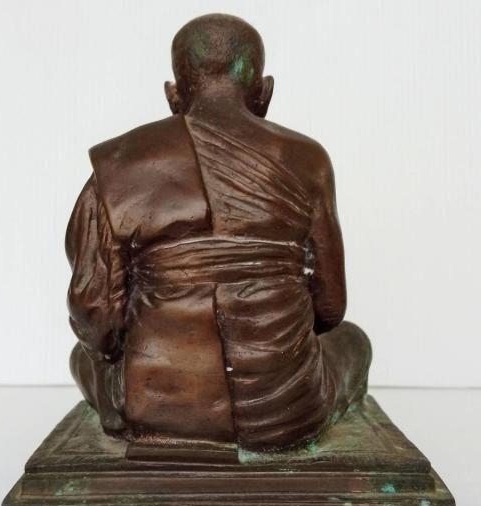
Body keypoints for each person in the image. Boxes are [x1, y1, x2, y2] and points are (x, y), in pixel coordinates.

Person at [66, 13, 371, 452]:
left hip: (155, 404)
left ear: (173, 96)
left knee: (81, 359)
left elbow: (94, 316)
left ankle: (148, 419)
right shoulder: (308, 160)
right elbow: (330, 309)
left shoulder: (119, 163)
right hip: (285, 411)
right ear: (264, 93)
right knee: (354, 343)